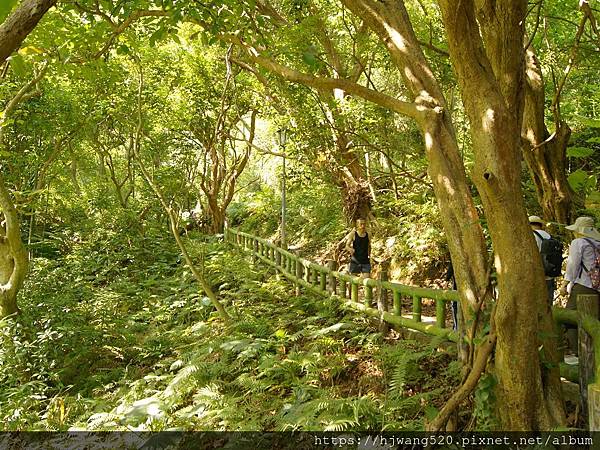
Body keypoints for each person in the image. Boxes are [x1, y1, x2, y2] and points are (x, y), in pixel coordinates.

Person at [560, 216, 600, 353]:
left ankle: (578, 352)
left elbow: (573, 265)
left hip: (583, 285)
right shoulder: (597, 243)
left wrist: (564, 284)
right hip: (597, 287)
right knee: (593, 319)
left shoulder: (579, 243)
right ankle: (593, 352)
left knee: (570, 318)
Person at [529, 215, 557, 305]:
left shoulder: (531, 236)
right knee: (548, 303)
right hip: (550, 273)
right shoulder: (549, 236)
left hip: (536, 275)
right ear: (540, 225)